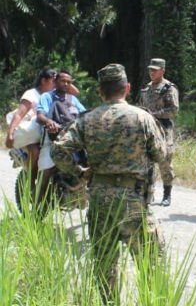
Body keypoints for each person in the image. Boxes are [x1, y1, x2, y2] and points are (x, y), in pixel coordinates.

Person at [51, 63, 167, 301]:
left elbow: (58, 150)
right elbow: (160, 155)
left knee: (105, 267)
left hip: (100, 202)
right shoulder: (143, 117)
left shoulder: (87, 120)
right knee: (151, 265)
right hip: (133, 202)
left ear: (100, 91)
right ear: (127, 88)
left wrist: (80, 171)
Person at [5, 68, 79, 203]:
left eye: (67, 82)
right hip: (35, 132)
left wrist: (64, 80)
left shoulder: (63, 96)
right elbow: (19, 114)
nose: (64, 84)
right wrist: (10, 133)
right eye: (55, 80)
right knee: (35, 151)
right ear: (44, 81)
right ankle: (32, 185)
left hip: (57, 133)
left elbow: (75, 93)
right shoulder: (34, 95)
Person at [36, 69, 86, 204]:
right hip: (54, 138)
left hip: (74, 138)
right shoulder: (47, 97)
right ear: (56, 81)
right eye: (63, 81)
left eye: (68, 82)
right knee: (46, 171)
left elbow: (84, 114)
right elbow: (40, 115)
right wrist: (49, 122)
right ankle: (37, 212)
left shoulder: (73, 99)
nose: (65, 84)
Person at [139, 58, 179, 206]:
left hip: (163, 129)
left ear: (163, 70)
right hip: (148, 130)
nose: (152, 72)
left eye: (155, 70)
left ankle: (167, 194)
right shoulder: (146, 89)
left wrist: (154, 114)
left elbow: (174, 111)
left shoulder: (169, 88)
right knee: (146, 161)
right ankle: (148, 193)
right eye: (150, 70)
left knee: (165, 161)